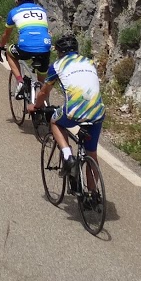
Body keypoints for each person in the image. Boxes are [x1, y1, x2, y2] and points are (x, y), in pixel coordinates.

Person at [28, 33, 105, 190]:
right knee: (92, 153)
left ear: (59, 52)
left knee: (55, 122)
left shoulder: (56, 65)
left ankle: (68, 156)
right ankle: (92, 195)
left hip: (74, 111)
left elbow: (43, 92)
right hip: (98, 111)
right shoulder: (90, 62)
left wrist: (36, 106)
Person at [0, 0, 52, 102]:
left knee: (10, 52)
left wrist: (0, 46)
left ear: (17, 0)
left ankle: (20, 81)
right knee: (42, 82)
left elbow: (6, 35)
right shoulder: (42, 10)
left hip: (25, 48)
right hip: (45, 47)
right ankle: (43, 103)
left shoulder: (13, 12)